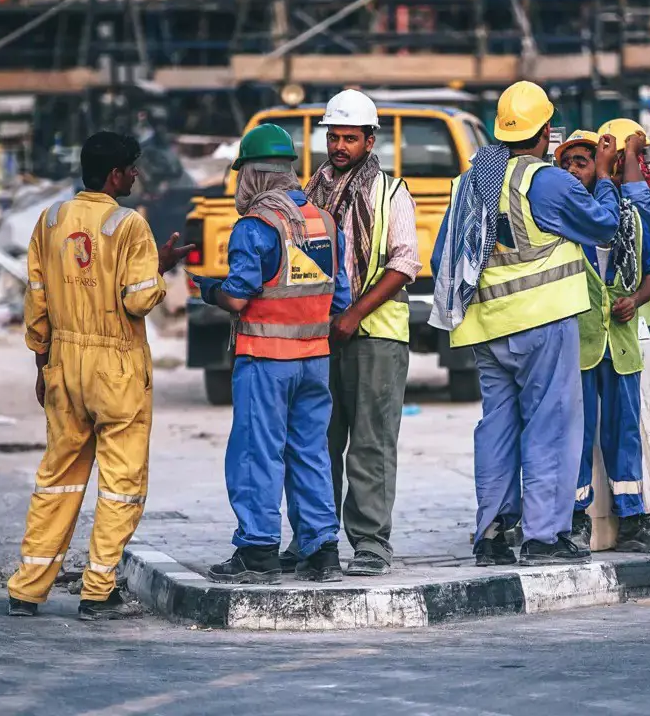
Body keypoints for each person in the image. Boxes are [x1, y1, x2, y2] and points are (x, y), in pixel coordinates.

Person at [429, 81, 621, 567]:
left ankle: (492, 534)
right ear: (546, 134)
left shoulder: (474, 180)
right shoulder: (547, 181)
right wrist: (601, 175)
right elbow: (602, 225)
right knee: (551, 426)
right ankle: (542, 536)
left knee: (497, 428)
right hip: (544, 321)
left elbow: (444, 256)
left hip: (486, 327)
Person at [7, 131, 192, 620]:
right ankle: (97, 591)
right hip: (115, 366)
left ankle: (26, 589)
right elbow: (136, 299)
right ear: (114, 175)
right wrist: (162, 266)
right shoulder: (129, 224)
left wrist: (41, 364)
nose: (136, 175)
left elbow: (37, 299)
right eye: (132, 168)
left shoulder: (50, 220)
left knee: (57, 480)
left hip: (64, 362)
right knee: (120, 483)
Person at [191, 124, 351, 585]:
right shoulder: (324, 221)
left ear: (255, 176)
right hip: (315, 360)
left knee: (257, 453)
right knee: (310, 452)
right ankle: (322, 551)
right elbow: (338, 299)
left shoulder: (255, 226)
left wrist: (210, 292)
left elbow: (239, 298)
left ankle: (258, 550)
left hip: (264, 359)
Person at [282, 89, 419, 577]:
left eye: (349, 138)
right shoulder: (308, 195)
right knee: (316, 442)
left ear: (369, 140)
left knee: (370, 442)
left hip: (375, 336)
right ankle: (315, 539)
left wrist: (353, 313)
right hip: (317, 336)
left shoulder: (390, 192)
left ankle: (370, 543)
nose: (339, 146)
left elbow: (404, 263)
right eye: (333, 137)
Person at [554, 130, 650, 554]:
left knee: (624, 432)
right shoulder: (562, 220)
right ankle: (574, 519)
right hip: (580, 345)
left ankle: (632, 519)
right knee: (577, 434)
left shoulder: (630, 219)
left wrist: (636, 299)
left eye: (582, 163)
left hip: (621, 347)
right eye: (566, 163)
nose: (572, 170)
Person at [598, 119, 650, 336]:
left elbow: (637, 201)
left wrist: (630, 154)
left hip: (641, 318)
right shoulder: (602, 204)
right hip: (609, 321)